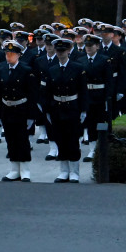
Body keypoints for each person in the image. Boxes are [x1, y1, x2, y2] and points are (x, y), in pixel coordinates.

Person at [41, 38, 88, 183]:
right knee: (60, 139)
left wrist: (83, 110)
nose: (60, 53)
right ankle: (63, 170)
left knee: (72, 139)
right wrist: (47, 110)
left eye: (63, 51)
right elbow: (47, 92)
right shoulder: (52, 70)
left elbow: (83, 91)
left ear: (68, 51)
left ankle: (74, 171)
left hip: (72, 107)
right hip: (57, 108)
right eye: (58, 51)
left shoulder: (77, 68)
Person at [0, 41, 37, 182]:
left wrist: (31, 115)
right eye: (7, 53)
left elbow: (32, 94)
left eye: (12, 53)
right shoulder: (0, 68)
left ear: (19, 55)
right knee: (10, 138)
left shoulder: (26, 70)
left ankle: (25, 169)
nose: (9, 56)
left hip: (21, 109)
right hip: (6, 108)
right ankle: (14, 168)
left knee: (22, 139)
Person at [78, 35, 114, 161]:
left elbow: (109, 80)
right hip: (87, 95)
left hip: (100, 95)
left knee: (101, 121)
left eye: (91, 45)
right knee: (90, 123)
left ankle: (102, 148)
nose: (88, 48)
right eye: (87, 45)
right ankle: (92, 150)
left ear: (97, 46)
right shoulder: (81, 60)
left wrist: (108, 97)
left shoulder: (104, 60)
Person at [33, 33, 60, 158]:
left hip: (58, 93)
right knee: (48, 120)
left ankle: (61, 146)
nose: (49, 47)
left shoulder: (60, 59)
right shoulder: (39, 60)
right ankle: (53, 147)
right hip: (44, 94)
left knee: (59, 121)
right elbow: (36, 79)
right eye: (47, 44)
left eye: (51, 45)